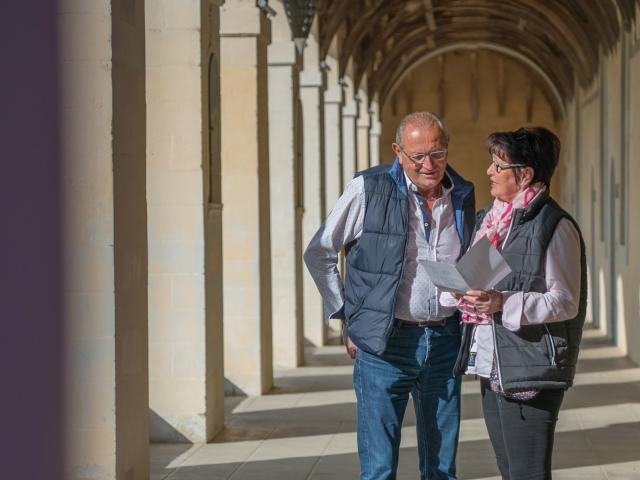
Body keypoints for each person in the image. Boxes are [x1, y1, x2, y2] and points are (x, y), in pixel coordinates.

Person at [304, 111, 475, 480]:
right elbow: (319, 252)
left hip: (445, 341)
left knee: (442, 468)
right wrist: (346, 316)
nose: (429, 165)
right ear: (398, 151)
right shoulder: (368, 189)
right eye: (418, 156)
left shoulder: (462, 194)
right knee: (379, 469)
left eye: (438, 153)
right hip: (385, 345)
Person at [443, 127, 587, 480]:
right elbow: (474, 278)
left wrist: (501, 301)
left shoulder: (554, 225)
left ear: (524, 175)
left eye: (497, 165)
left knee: (528, 473)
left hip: (531, 366)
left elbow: (566, 301)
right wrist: (459, 290)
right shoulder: (492, 221)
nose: (489, 172)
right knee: (509, 470)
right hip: (493, 363)